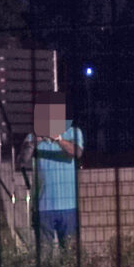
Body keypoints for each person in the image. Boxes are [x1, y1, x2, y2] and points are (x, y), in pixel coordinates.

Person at [30, 100, 83, 253]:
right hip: (43, 206)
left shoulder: (73, 133)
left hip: (69, 206)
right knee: (44, 253)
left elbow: (77, 152)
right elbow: (23, 159)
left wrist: (58, 139)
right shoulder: (34, 135)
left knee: (70, 252)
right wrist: (34, 141)